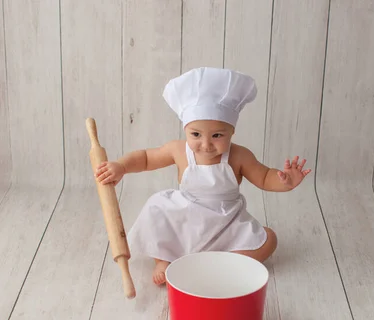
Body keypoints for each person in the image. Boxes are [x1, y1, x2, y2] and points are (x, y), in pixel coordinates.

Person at [95, 67, 311, 285]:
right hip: (186, 214)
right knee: (156, 207)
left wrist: (285, 181)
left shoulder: (239, 155)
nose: (206, 144)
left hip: (226, 220)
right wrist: (121, 166)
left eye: (217, 135)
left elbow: (264, 177)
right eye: (196, 134)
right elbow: (146, 158)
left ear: (232, 132)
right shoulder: (178, 150)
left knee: (269, 239)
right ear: (185, 129)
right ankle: (164, 259)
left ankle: (227, 262)